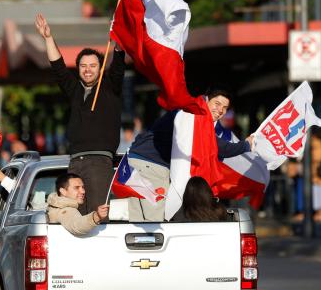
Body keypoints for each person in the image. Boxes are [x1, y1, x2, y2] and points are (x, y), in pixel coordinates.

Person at [35, 13, 125, 215]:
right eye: (83, 66)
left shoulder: (110, 87)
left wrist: (119, 36)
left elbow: (118, 64)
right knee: (72, 214)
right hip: (75, 161)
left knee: (97, 214)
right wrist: (48, 37)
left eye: (93, 66)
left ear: (101, 69)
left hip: (99, 162)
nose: (88, 70)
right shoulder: (74, 90)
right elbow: (58, 67)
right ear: (78, 69)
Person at [127, 88, 253, 222]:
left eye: (225, 107)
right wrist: (246, 145)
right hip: (151, 166)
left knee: (138, 223)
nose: (220, 110)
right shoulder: (194, 114)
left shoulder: (194, 113)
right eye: (217, 103)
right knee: (153, 223)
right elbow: (221, 147)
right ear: (207, 100)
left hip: (140, 161)